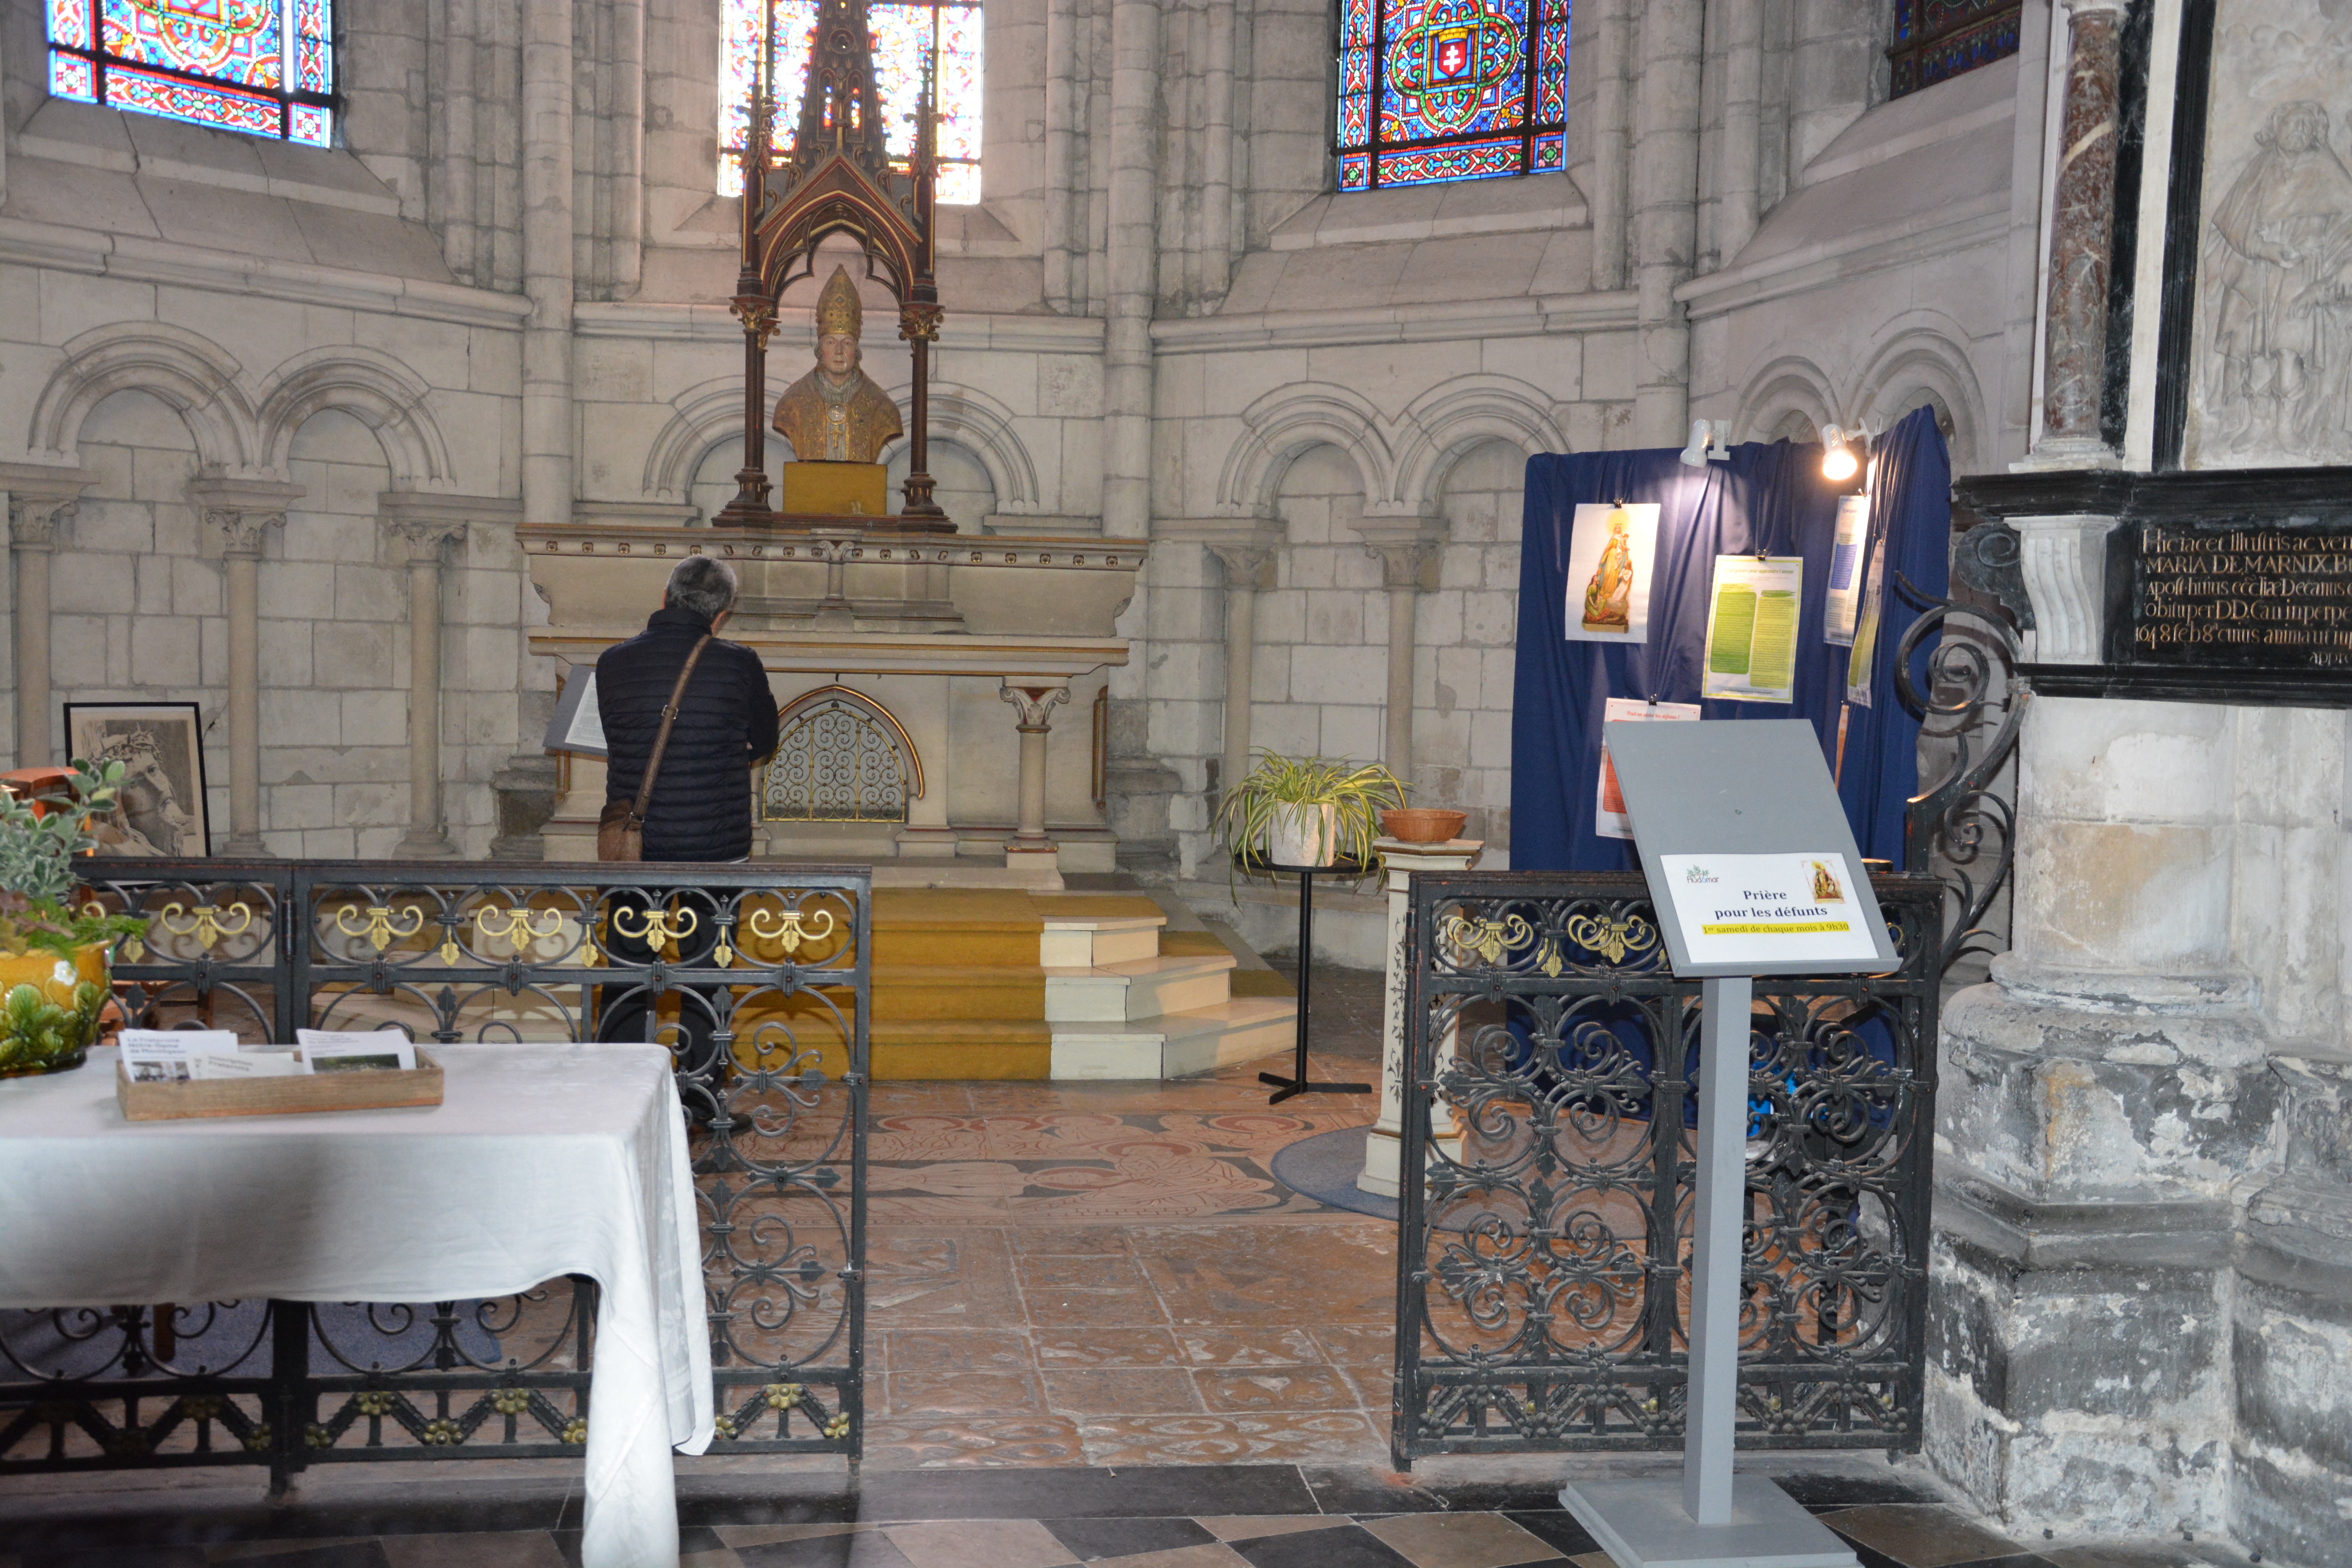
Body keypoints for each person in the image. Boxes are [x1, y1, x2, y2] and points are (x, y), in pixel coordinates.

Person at [593, 556, 780, 1114]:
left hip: (636, 844)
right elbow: (764, 737)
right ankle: (700, 1101)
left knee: (628, 963)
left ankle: (617, 1095)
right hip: (713, 846)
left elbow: (614, 734)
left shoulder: (613, 662)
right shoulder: (739, 664)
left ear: (665, 595)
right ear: (721, 615)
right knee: (707, 964)